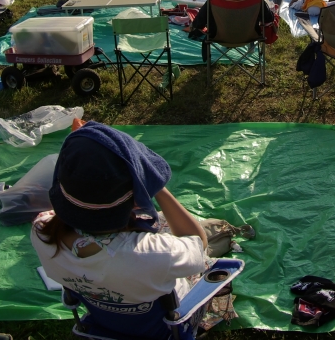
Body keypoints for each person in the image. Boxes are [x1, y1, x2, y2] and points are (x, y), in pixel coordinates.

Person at [31, 123, 208, 339]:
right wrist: (154, 183)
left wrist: (86, 162)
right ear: (135, 199)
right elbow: (198, 243)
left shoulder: (41, 232)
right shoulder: (154, 253)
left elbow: (78, 202)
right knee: (206, 262)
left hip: (104, 321)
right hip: (163, 327)